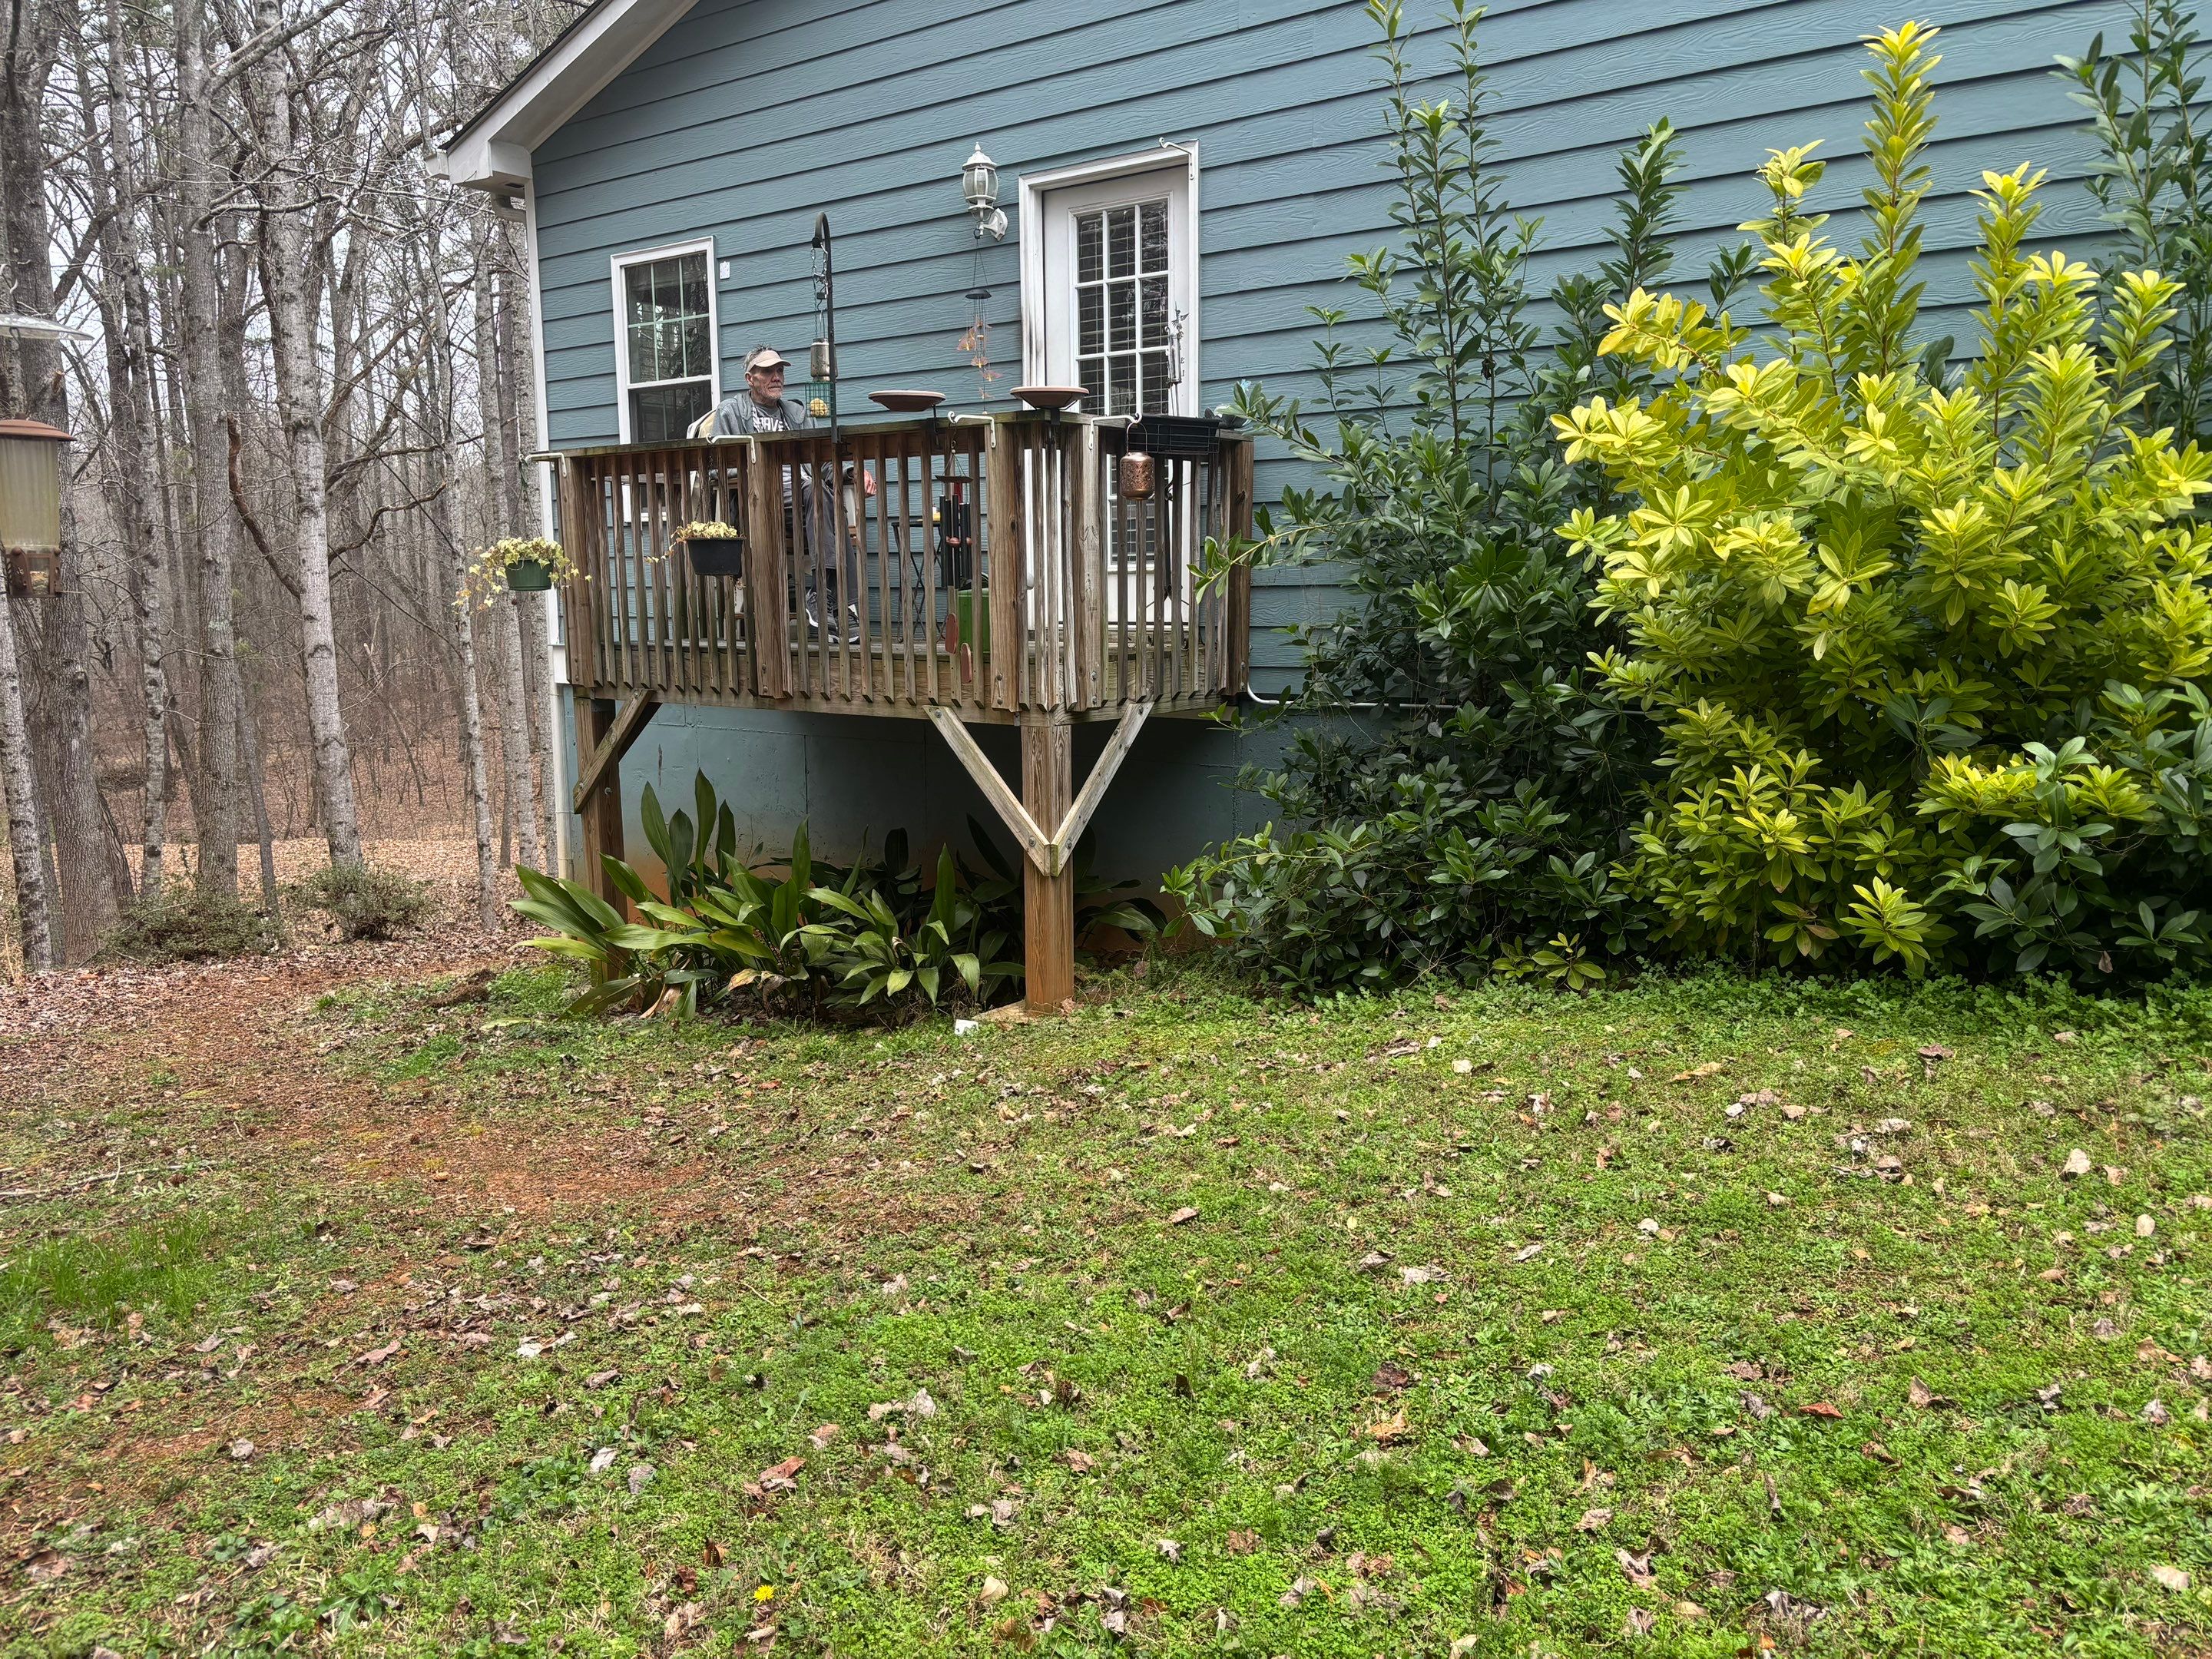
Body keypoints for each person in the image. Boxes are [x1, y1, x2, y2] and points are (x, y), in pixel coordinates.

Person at [692, 346, 869, 643]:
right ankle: (837, 603)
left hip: (804, 504)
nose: (777, 377)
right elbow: (715, 469)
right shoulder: (731, 412)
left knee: (826, 498)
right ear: (750, 378)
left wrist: (851, 474)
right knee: (826, 503)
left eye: (780, 370)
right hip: (758, 503)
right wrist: (760, 471)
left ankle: (823, 596)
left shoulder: (797, 413)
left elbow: (822, 463)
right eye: (768, 371)